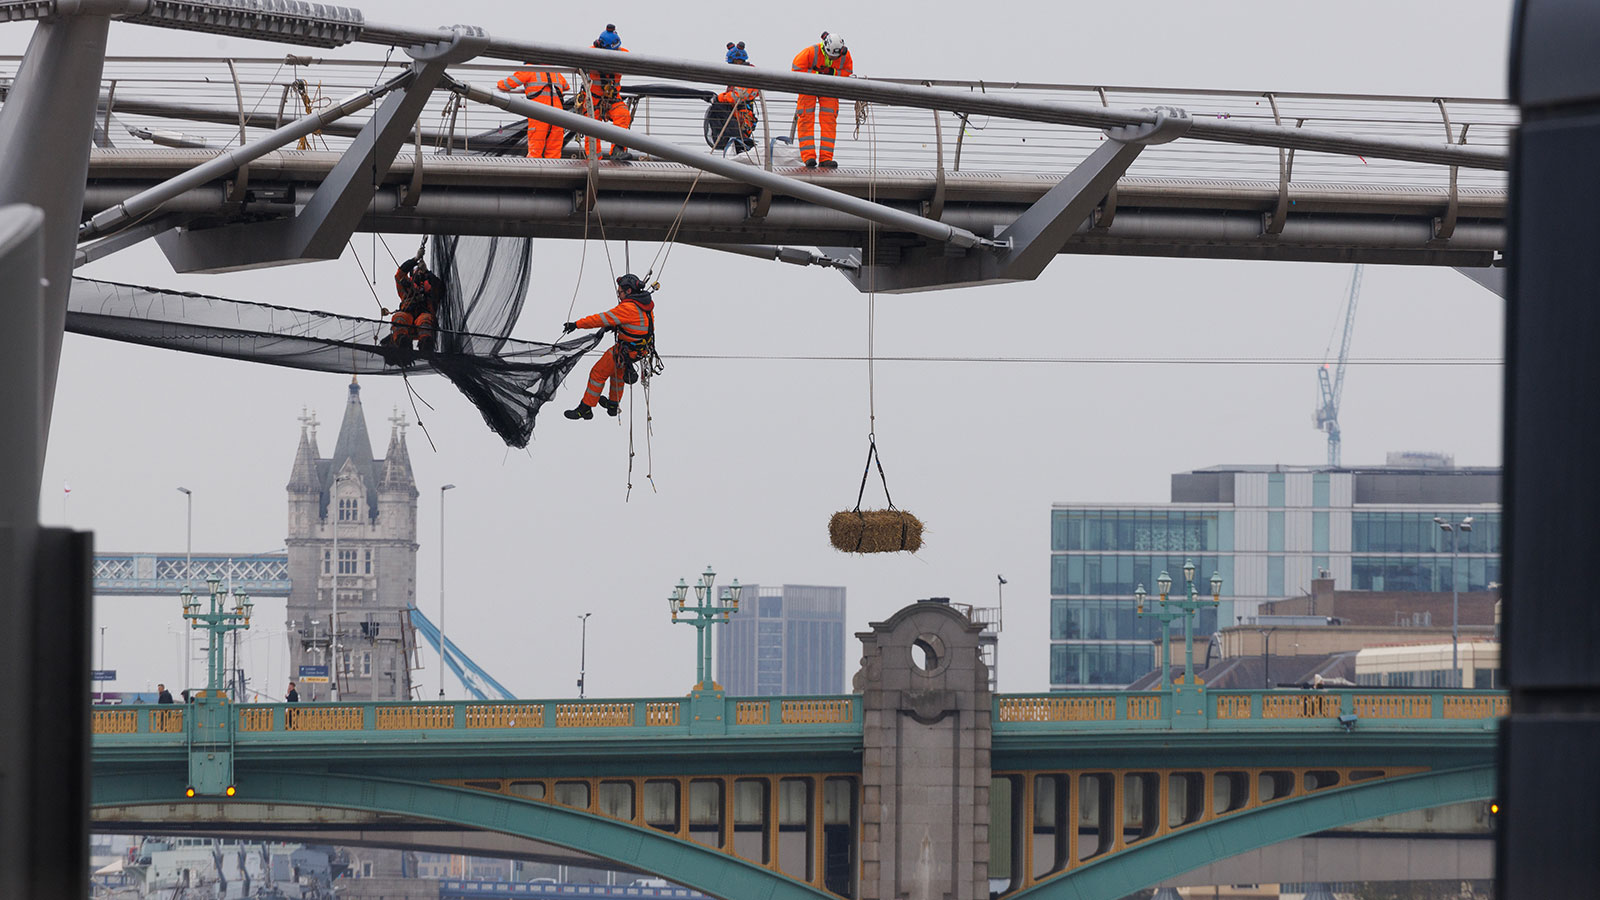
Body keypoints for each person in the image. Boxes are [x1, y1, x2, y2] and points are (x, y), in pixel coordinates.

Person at [562, 274, 656, 420]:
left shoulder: (628, 308)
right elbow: (638, 324)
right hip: (638, 351)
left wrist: (577, 324)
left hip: (627, 350)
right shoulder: (644, 305)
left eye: (620, 292)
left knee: (598, 373)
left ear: (629, 291)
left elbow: (600, 319)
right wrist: (617, 325)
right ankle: (613, 405)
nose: (619, 295)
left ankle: (585, 408)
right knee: (617, 373)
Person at [791, 31, 853, 169]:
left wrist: (832, 73)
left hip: (829, 88)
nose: (832, 57)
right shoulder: (810, 52)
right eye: (830, 54)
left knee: (829, 121)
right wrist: (817, 74)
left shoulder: (845, 56)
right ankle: (809, 157)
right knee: (806, 119)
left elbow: (847, 72)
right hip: (808, 86)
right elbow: (796, 69)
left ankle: (826, 158)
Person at [583, 24, 635, 161]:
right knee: (591, 128)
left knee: (623, 116)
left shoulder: (622, 55)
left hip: (612, 98)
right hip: (592, 99)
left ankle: (617, 151)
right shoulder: (589, 54)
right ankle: (593, 160)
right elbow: (578, 63)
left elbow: (632, 62)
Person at [496, 66, 570, 158]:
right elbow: (566, 87)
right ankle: (553, 172)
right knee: (554, 154)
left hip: (538, 116)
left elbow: (505, 85)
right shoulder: (555, 72)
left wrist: (499, 84)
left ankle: (534, 172)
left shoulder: (529, 70)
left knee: (535, 153)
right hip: (558, 117)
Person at [381, 255, 445, 355]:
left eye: (420, 271)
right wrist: (415, 259)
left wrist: (426, 272)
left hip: (423, 315)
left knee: (425, 319)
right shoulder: (406, 288)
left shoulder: (430, 286)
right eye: (416, 271)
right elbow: (399, 275)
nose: (418, 272)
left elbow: (440, 288)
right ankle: (401, 340)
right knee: (399, 317)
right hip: (408, 319)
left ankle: (426, 344)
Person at [711, 42, 760, 153]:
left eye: (732, 63)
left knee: (740, 144)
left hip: (743, 117)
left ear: (738, 61)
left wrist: (721, 98)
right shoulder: (738, 76)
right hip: (735, 115)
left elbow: (738, 96)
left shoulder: (749, 75)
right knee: (734, 145)